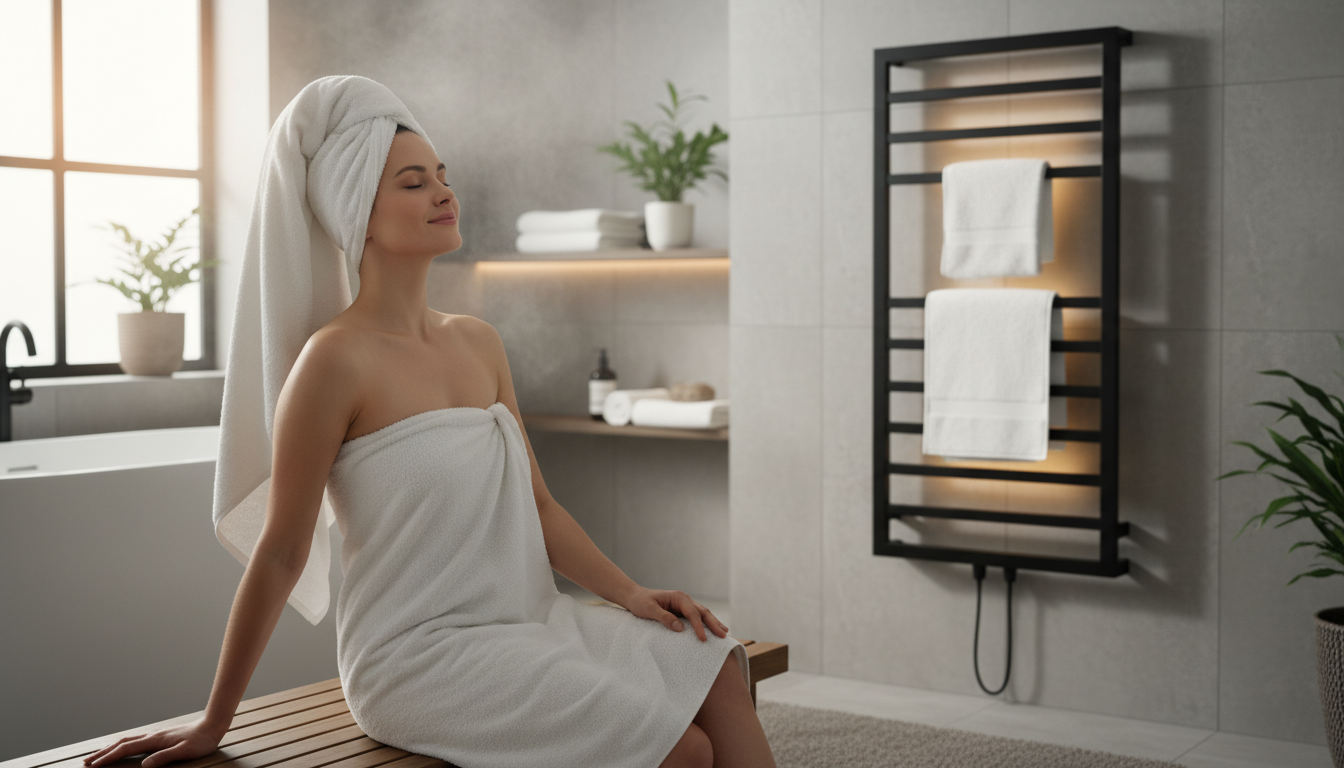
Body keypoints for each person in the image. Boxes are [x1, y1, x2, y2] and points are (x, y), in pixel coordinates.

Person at [81, 77, 775, 768]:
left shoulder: (479, 340)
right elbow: (283, 552)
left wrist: (629, 594)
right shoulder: (333, 362)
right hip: (415, 659)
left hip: (527, 622)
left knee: (710, 657)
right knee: (681, 753)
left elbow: (539, 506)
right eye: (413, 183)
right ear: (360, 214)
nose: (445, 193)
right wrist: (214, 721)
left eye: (442, 176)